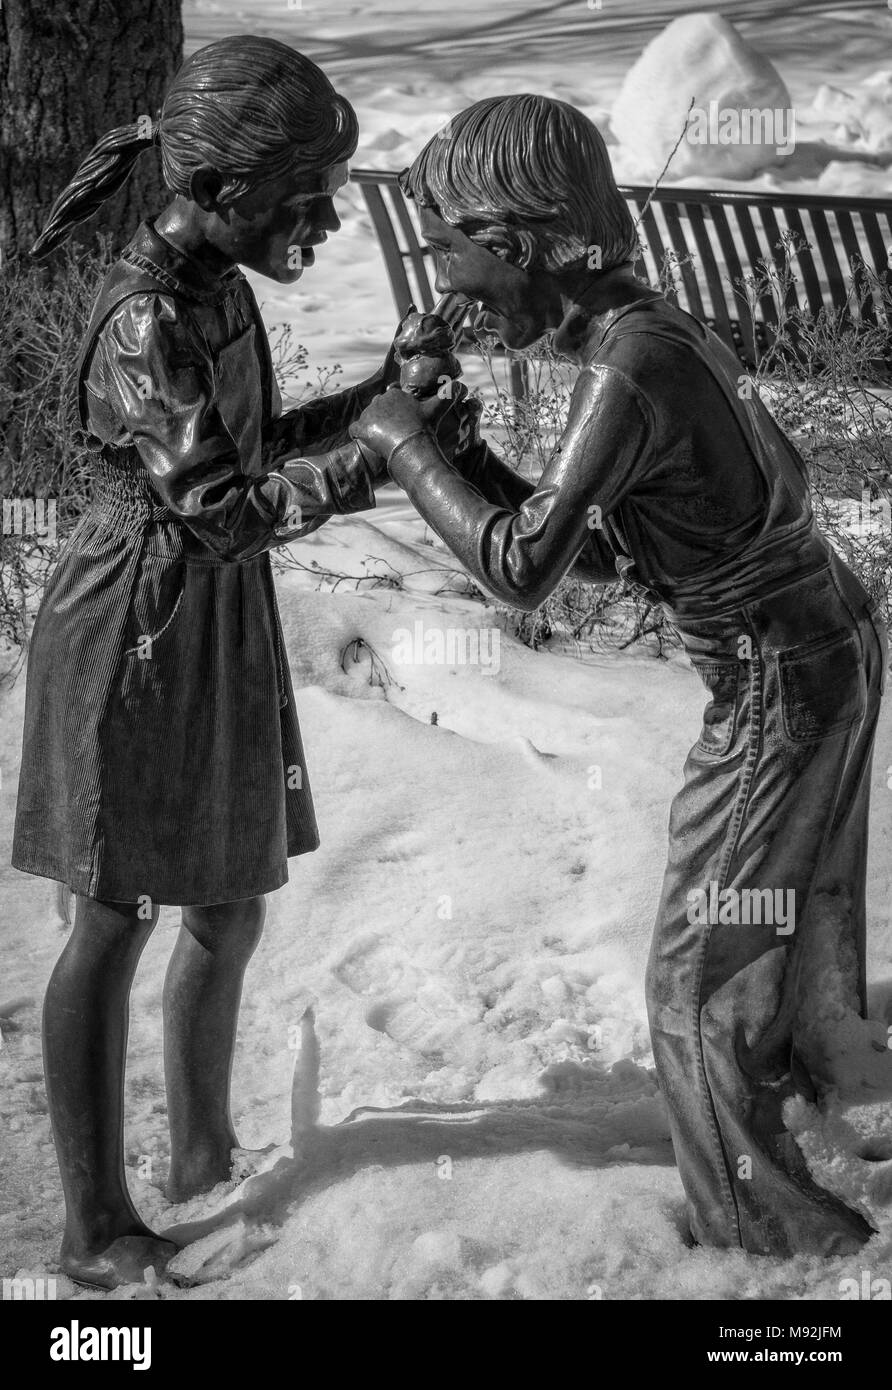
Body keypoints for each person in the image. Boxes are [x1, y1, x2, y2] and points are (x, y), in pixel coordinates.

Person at [350, 94, 888, 1258]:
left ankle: (766, 1232)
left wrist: (397, 441)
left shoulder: (625, 369)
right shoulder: (650, 332)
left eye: (449, 247)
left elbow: (524, 569)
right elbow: (595, 540)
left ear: (521, 241)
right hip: (825, 645)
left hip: (776, 682)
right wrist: (460, 449)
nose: (445, 280)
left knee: (695, 973)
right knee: (785, 916)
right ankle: (823, 1079)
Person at [12, 35, 406, 1290]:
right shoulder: (142, 318)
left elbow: (252, 443)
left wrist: (376, 397)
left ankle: (198, 1155)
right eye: (308, 197)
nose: (331, 220)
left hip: (209, 612)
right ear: (228, 193)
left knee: (225, 906)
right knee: (115, 909)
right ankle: (93, 1227)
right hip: (132, 621)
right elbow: (224, 504)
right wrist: (373, 461)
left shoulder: (218, 293)